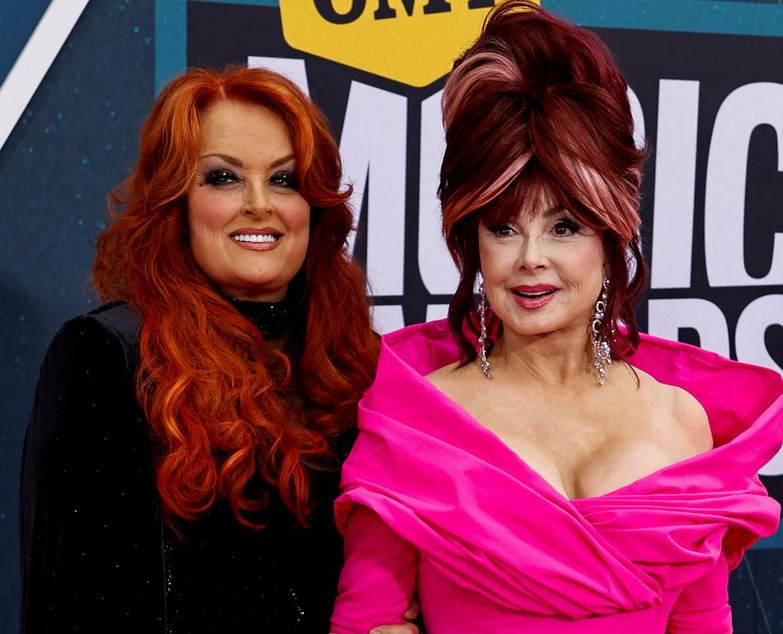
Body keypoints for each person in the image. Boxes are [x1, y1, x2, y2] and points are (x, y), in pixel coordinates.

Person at [329, 2, 783, 633]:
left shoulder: (681, 420)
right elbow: (366, 624)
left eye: (563, 226)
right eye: (504, 227)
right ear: (472, 242)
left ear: (610, 235)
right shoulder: (418, 416)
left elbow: (701, 625)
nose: (530, 260)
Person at [20, 66, 420, 633]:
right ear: (175, 203)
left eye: (284, 180)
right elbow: (71, 614)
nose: (260, 204)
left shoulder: (363, 367)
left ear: (315, 206)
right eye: (224, 178)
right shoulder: (108, 359)